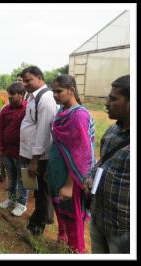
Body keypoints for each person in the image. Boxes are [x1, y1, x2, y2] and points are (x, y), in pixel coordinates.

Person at [46, 74, 95, 253]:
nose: (55, 95)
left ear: (71, 90)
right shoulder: (62, 111)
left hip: (71, 178)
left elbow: (81, 156)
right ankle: (63, 237)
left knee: (72, 217)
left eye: (59, 91)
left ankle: (76, 251)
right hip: (56, 172)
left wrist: (69, 185)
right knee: (60, 209)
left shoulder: (79, 115)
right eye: (53, 91)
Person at [84, 75, 130, 254]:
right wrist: (90, 176)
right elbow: (101, 162)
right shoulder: (112, 131)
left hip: (123, 232)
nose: (106, 103)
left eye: (113, 98)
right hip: (99, 220)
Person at [19, 66, 58, 235]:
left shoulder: (46, 98)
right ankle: (39, 217)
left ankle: (39, 224)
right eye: (24, 81)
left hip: (39, 157)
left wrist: (35, 160)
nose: (26, 84)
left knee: (42, 191)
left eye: (29, 80)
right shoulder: (32, 96)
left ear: (40, 78)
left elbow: (44, 131)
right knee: (34, 188)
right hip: (28, 152)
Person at [0, 82, 29, 216]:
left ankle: (22, 204)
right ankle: (11, 199)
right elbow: (1, 128)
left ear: (21, 94)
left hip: (24, 152)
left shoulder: (28, 108)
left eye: (12, 96)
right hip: (7, 151)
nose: (9, 98)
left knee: (25, 177)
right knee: (11, 176)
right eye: (8, 96)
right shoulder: (6, 109)